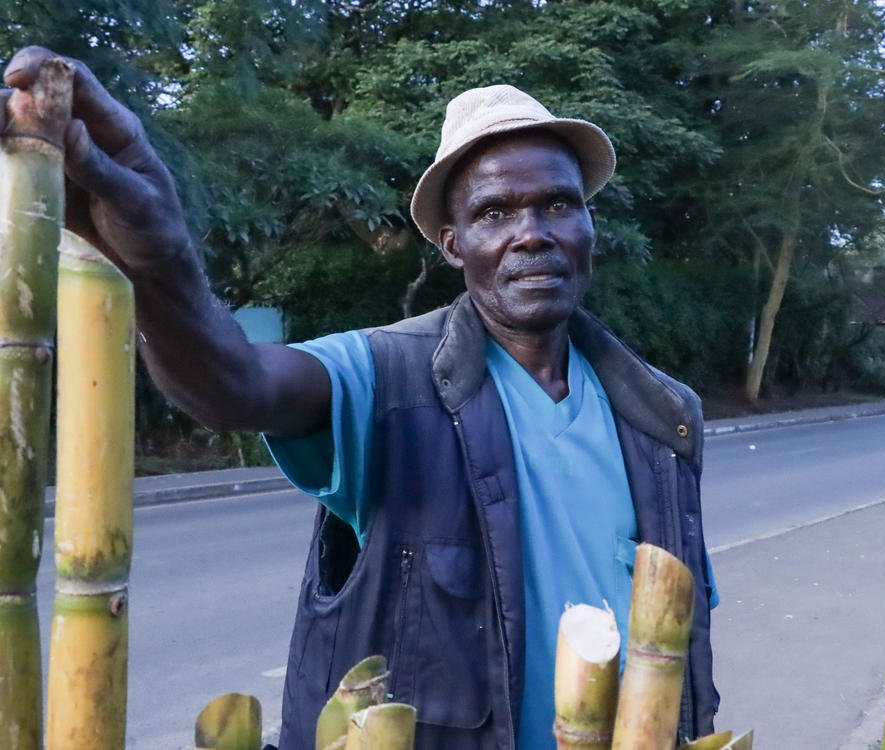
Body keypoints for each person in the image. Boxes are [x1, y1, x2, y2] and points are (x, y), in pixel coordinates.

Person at [2, 47, 718, 749]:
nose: (532, 233)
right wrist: (158, 260)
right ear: (453, 244)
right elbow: (235, 385)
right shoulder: (388, 379)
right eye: (496, 213)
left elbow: (686, 651)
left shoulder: (662, 416)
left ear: (589, 226)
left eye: (558, 204)